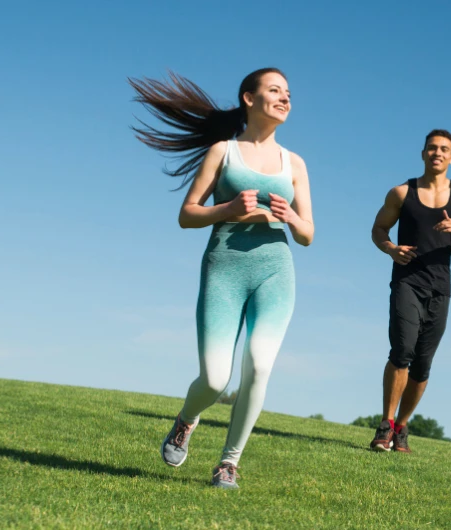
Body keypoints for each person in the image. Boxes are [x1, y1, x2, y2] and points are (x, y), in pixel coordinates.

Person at [129, 68, 314, 488]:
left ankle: (229, 462)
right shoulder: (223, 152)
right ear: (249, 98)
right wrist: (227, 209)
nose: (285, 98)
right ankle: (186, 419)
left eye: (288, 92)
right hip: (224, 269)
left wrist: (291, 217)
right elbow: (187, 214)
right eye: (275, 90)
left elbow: (308, 234)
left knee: (259, 366)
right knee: (215, 379)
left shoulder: (295, 163)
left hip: (275, 270)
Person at [368, 129, 451, 453]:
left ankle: (401, 427)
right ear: (423, 153)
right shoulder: (402, 193)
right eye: (432, 148)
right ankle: (385, 424)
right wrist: (391, 249)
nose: (437, 153)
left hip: (440, 288)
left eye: (444, 149)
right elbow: (378, 229)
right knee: (402, 350)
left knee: (423, 364)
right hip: (407, 281)